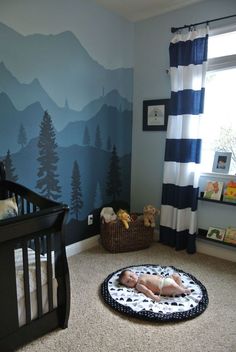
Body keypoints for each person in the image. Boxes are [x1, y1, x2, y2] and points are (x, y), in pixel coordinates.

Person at [119, 270, 191, 302]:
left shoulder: (142, 275)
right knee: (173, 286)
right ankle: (182, 291)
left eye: (131, 276)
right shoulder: (138, 285)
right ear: (128, 286)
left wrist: (160, 276)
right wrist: (153, 297)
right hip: (162, 287)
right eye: (128, 281)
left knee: (176, 275)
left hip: (165, 279)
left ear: (133, 273)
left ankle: (181, 286)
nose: (131, 280)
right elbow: (147, 291)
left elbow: (154, 276)